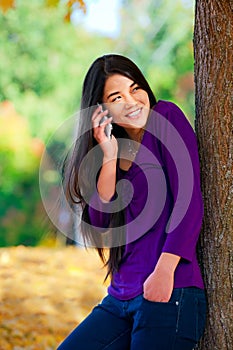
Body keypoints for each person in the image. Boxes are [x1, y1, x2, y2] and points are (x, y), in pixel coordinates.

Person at [57, 54, 207, 350]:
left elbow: (188, 202)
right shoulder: (109, 154)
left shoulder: (166, 118)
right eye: (117, 96)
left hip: (168, 290)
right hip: (119, 299)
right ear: (102, 111)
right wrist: (109, 156)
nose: (132, 100)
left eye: (135, 88)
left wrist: (164, 273)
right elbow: (99, 223)